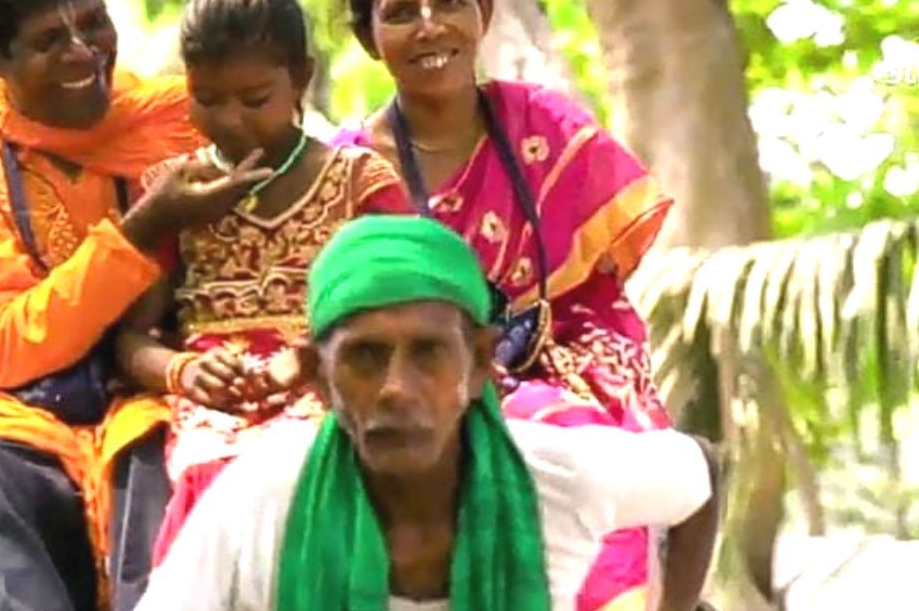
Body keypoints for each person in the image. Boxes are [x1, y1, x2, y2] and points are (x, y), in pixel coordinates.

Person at [0, 0, 274, 611]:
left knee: (174, 456)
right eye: (50, 40)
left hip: (169, 394)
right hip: (27, 417)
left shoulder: (183, 116)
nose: (85, 52)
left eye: (93, 22)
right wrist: (144, 230)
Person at [329, 0, 677, 611]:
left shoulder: (544, 125)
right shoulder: (348, 171)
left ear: (486, 11)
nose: (430, 27)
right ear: (369, 38)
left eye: (451, 2)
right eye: (400, 12)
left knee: (581, 439)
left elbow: (599, 287)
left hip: (561, 356)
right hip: (424, 373)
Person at [135, 215, 720, 611]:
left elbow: (702, 472)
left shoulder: (558, 477)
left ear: (480, 364)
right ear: (317, 376)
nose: (395, 388)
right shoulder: (261, 498)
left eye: (428, 354)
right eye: (365, 357)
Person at [114, 0, 412, 562]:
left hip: (334, 380)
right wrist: (181, 371)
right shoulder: (172, 191)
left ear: (300, 78)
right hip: (215, 401)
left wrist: (303, 360)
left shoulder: (359, 182)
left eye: (254, 100)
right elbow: (126, 338)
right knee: (215, 471)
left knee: (319, 465)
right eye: (207, 98)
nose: (229, 120)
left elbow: (402, 310)